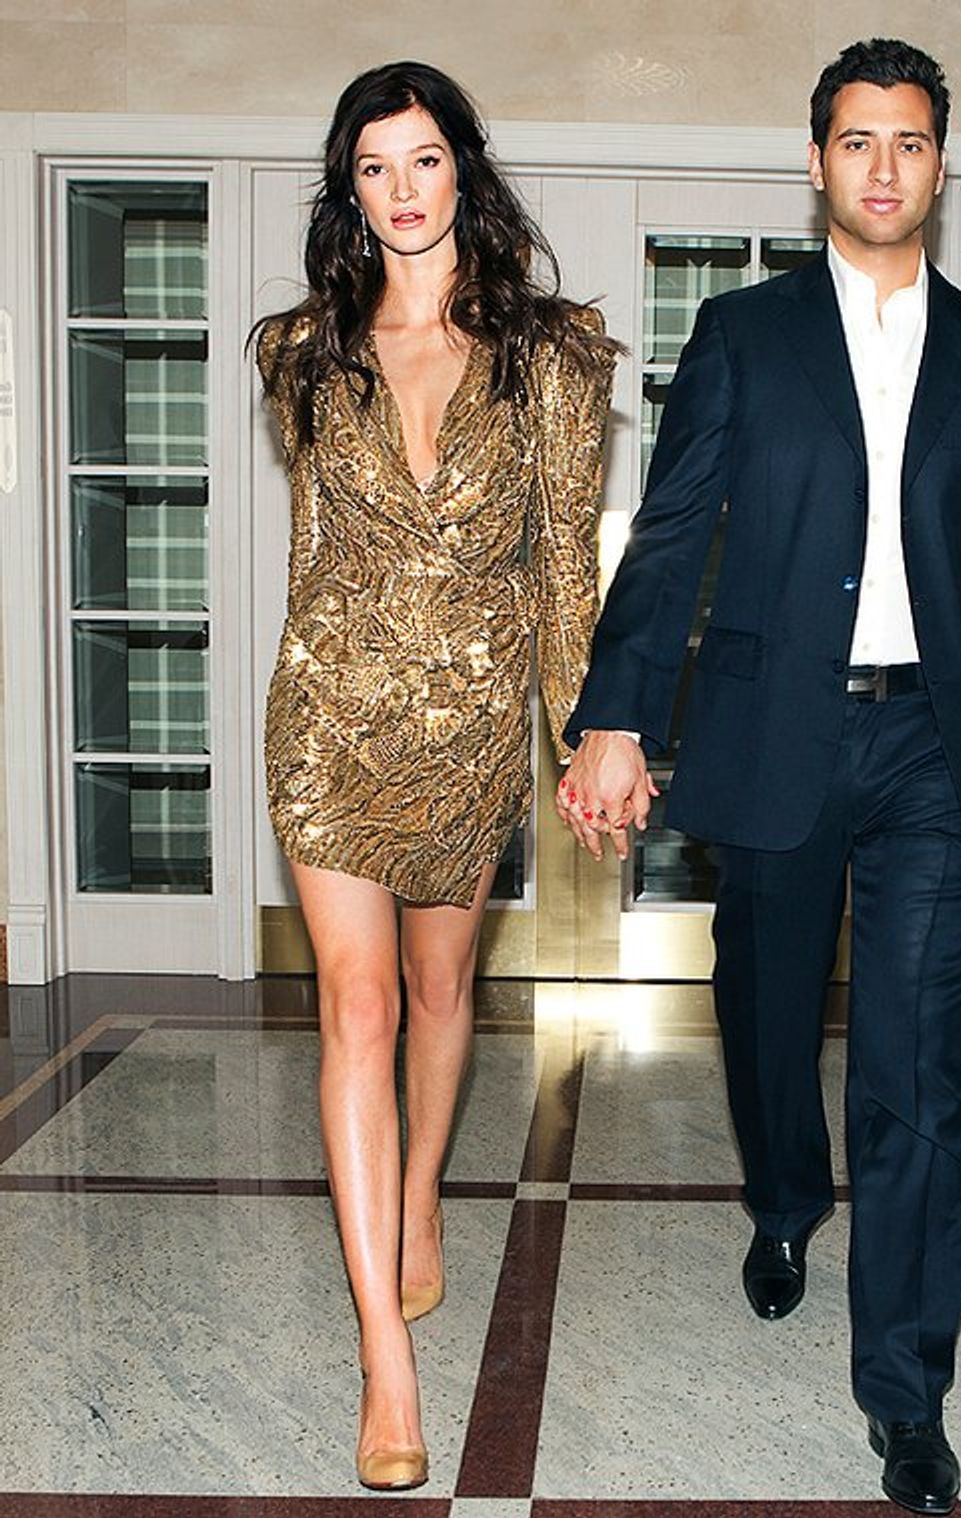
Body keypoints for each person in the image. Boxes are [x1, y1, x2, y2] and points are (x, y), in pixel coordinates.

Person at [558, 37, 961, 1517]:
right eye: (857, 140)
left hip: (936, 749)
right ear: (818, 160)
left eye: (909, 141)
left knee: (916, 1065)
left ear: (941, 166)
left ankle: (907, 1392)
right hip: (777, 730)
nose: (883, 166)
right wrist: (616, 716)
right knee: (769, 1014)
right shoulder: (743, 335)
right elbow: (670, 533)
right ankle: (784, 1197)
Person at [255, 61, 616, 1492]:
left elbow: (564, 570)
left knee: (440, 988)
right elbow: (316, 553)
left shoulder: (554, 356)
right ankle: (384, 1362)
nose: (402, 190)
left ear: (465, 168)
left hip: (467, 726)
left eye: (423, 160)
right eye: (374, 167)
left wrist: (587, 732)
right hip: (330, 718)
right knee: (354, 1005)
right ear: (349, 192)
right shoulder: (304, 351)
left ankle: (417, 1195)